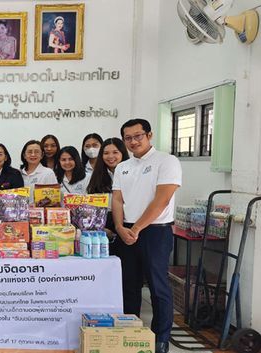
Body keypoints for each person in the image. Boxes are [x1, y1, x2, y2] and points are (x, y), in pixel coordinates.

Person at [112, 118, 182, 353]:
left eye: (138, 136)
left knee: (157, 286)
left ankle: (160, 339)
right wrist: (120, 227)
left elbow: (161, 200)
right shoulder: (123, 166)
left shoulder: (167, 161)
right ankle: (130, 333)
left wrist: (137, 228)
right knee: (128, 286)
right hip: (127, 232)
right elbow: (118, 200)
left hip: (155, 231)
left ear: (149, 135)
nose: (133, 141)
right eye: (128, 138)